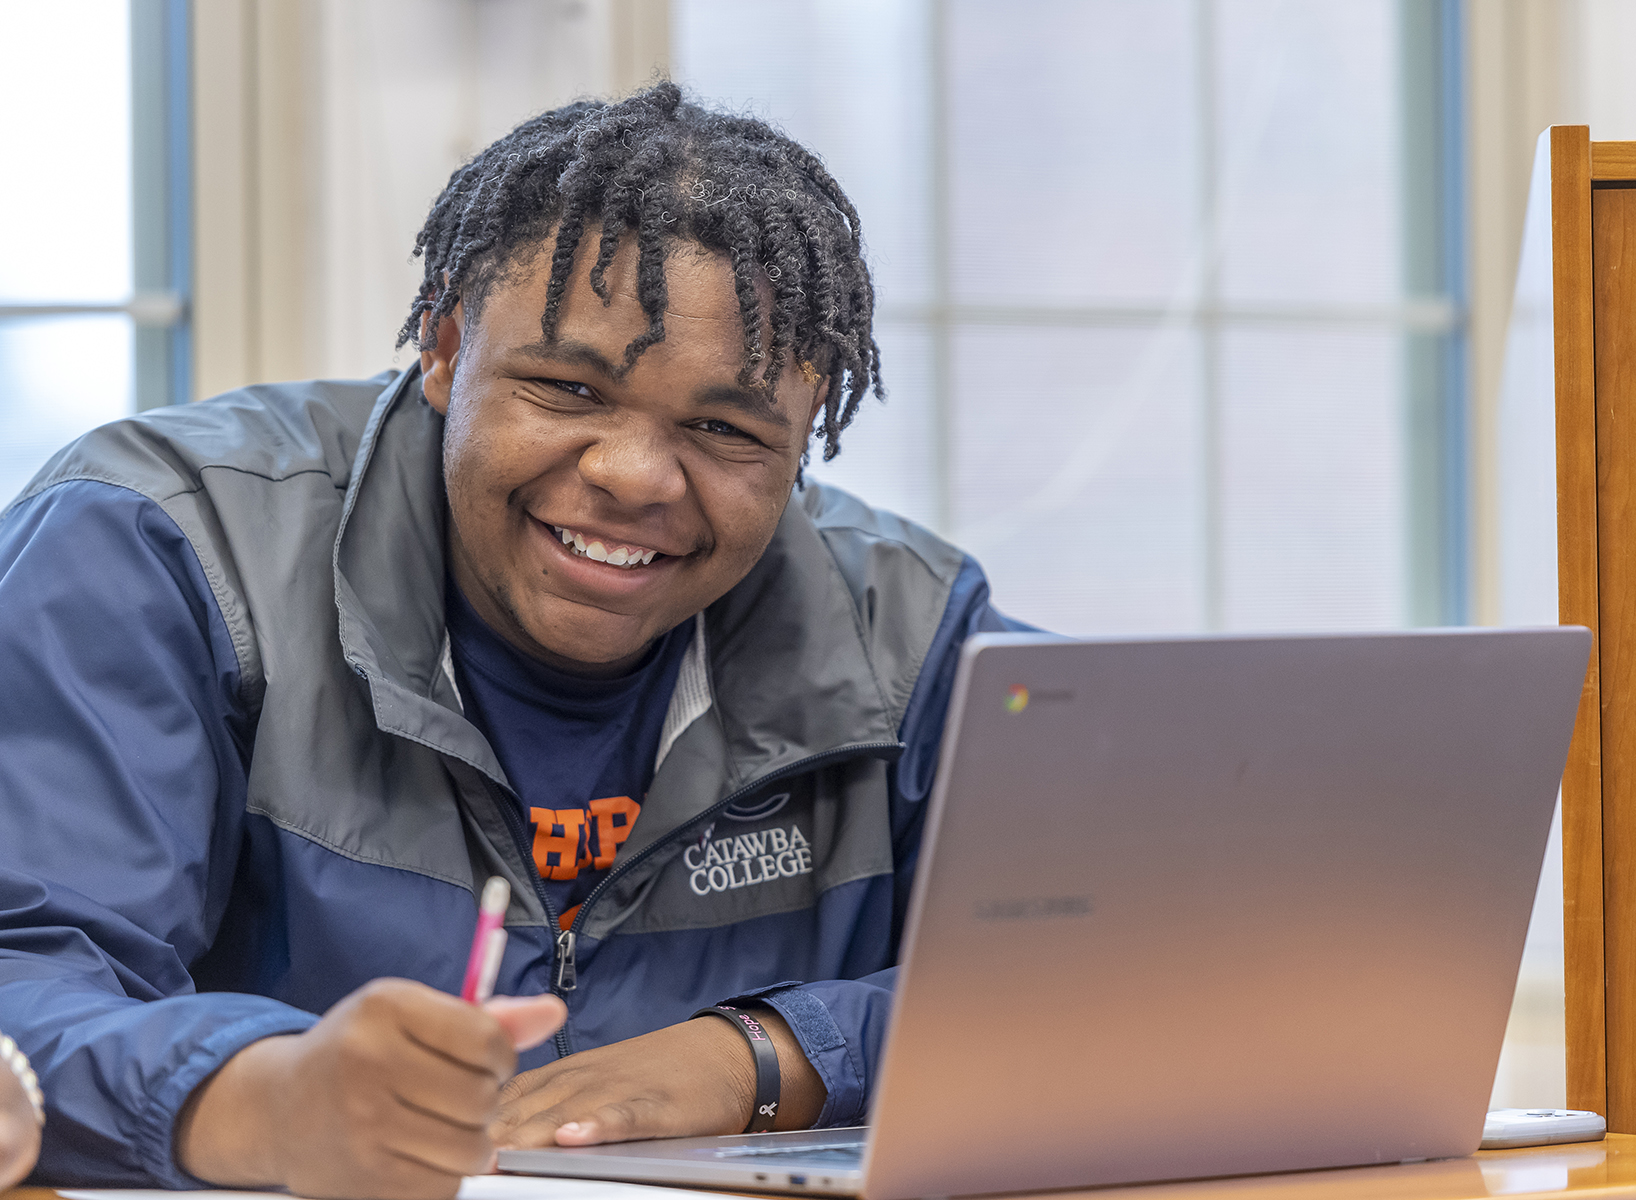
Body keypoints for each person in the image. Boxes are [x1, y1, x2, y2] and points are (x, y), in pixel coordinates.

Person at [0, 83, 1021, 1197]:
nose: (633, 476)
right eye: (567, 387)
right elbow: (27, 979)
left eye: (722, 428)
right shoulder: (163, 548)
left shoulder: (913, 631)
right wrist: (268, 1098)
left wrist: (761, 1057)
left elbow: (1126, 960)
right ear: (444, 349)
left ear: (808, 423)